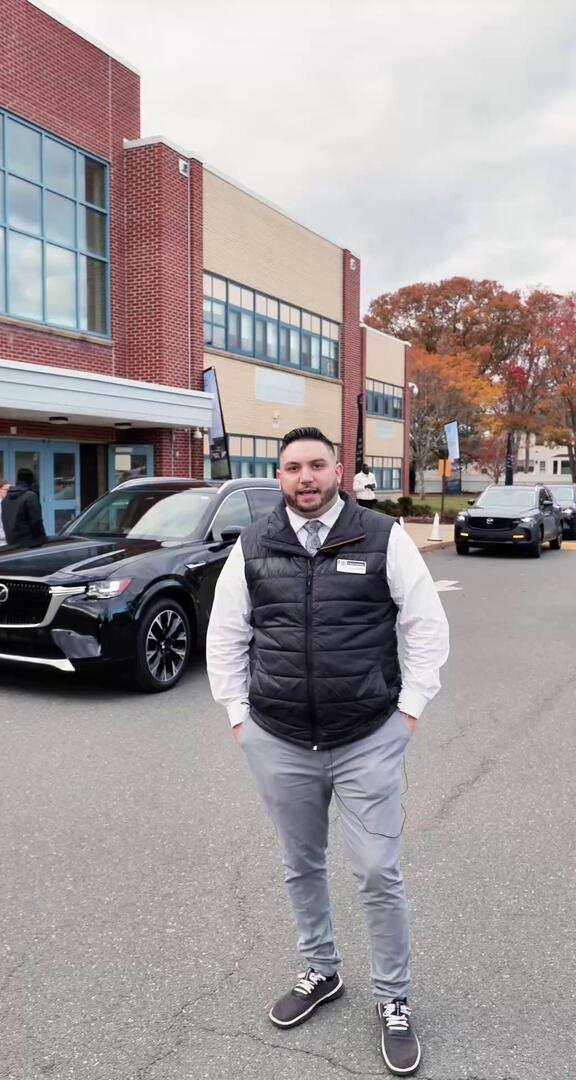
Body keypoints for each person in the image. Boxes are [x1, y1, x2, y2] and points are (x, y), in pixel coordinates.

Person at [207, 426, 449, 1077]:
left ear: (338, 469)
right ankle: (321, 969)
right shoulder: (254, 543)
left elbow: (425, 623)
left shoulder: (380, 536)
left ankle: (393, 998)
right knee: (300, 864)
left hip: (368, 736)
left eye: (317, 464)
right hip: (279, 738)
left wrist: (410, 709)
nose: (306, 477)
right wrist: (239, 718)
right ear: (279, 477)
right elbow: (226, 634)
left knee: (377, 870)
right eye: (293, 468)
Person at [1, 468, 46, 546]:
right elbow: (36, 522)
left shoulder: (5, 499)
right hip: (30, 545)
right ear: (31, 481)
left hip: (11, 544)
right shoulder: (30, 496)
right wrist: (43, 541)